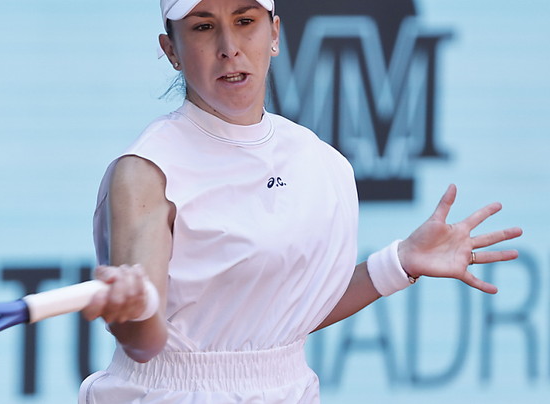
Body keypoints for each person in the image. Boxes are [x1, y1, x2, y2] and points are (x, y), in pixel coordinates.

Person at [78, 0, 523, 402]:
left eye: (245, 21)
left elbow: (282, 319)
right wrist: (133, 313)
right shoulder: (144, 172)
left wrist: (399, 261)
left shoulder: (321, 162)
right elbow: (144, 342)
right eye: (203, 27)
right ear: (171, 50)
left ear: (274, 34)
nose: (229, 48)